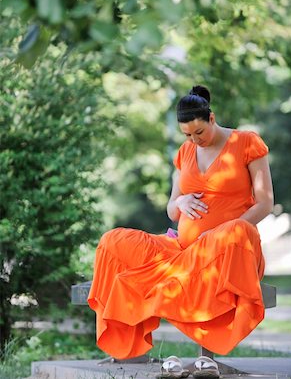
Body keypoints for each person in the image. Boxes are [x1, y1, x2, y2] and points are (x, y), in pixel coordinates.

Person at [88, 85, 274, 379]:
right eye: (187, 134)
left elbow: (265, 203)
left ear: (211, 118)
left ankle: (201, 346)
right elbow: (172, 210)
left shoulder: (247, 142)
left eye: (199, 132)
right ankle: (130, 343)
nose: (193, 140)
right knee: (113, 241)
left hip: (228, 249)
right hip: (182, 249)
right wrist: (181, 200)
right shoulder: (185, 152)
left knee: (236, 231)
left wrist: (219, 234)